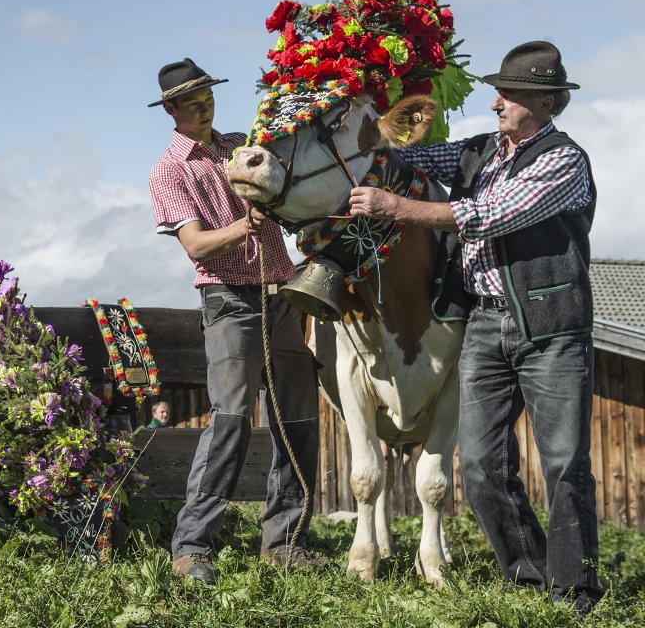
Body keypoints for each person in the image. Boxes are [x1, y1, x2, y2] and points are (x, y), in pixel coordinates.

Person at [348, 41, 602, 613]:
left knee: (563, 462)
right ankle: (530, 576)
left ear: (545, 102)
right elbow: (415, 157)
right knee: (483, 465)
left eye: (509, 94)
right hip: (485, 324)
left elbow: (485, 217)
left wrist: (395, 207)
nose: (496, 102)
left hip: (550, 327)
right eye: (498, 92)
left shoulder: (563, 161)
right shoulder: (482, 151)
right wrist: (376, 121)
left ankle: (577, 590)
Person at [147, 58, 321, 584]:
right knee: (228, 421)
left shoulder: (241, 147)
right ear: (171, 110)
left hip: (281, 297)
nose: (205, 108)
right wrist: (246, 226)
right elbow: (196, 244)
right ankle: (192, 548)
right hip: (228, 302)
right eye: (193, 103)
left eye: (209, 98)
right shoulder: (169, 171)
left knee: (299, 421)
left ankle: (285, 542)